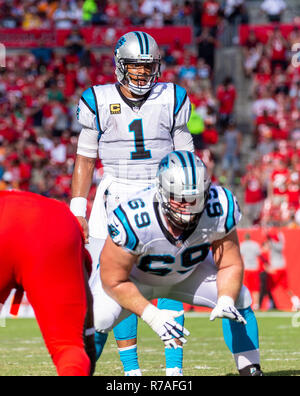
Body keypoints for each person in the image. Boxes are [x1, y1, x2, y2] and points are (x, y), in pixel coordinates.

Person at [70, 31, 194, 376]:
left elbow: (186, 156)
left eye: (147, 66)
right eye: (135, 67)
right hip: (117, 194)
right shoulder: (98, 99)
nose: (141, 73)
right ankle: (131, 372)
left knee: (169, 273)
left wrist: (190, 195)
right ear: (119, 66)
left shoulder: (172, 97)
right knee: (115, 281)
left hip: (162, 193)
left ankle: (174, 371)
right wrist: (76, 210)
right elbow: (85, 158)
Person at [96, 151, 263, 376]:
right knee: (99, 317)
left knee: (239, 296)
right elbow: (112, 280)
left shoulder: (219, 205)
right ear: (162, 191)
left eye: (195, 198)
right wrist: (152, 315)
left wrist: (224, 298)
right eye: (180, 198)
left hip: (189, 274)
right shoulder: (134, 216)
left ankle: (250, 369)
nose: (188, 206)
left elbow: (231, 264)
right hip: (138, 280)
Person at [0, 190, 95, 376]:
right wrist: (88, 345)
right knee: (68, 348)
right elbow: (87, 302)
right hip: (49, 224)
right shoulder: (59, 213)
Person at [240, 233, 262, 310]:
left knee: (245, 287)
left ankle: (245, 303)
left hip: (246, 268)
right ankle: (256, 304)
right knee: (255, 288)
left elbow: (241, 257)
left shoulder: (242, 245)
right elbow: (259, 256)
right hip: (254, 268)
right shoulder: (255, 245)